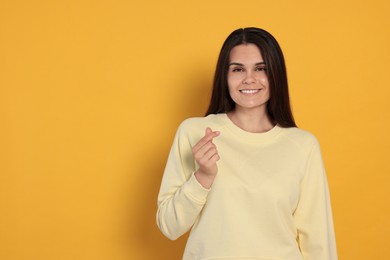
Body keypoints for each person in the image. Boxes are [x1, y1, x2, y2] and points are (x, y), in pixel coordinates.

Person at [156, 27, 337, 260]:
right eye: (238, 69)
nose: (249, 78)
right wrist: (202, 177)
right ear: (225, 76)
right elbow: (169, 226)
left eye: (261, 69)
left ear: (276, 75)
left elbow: (319, 241)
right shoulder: (194, 133)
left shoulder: (303, 146)